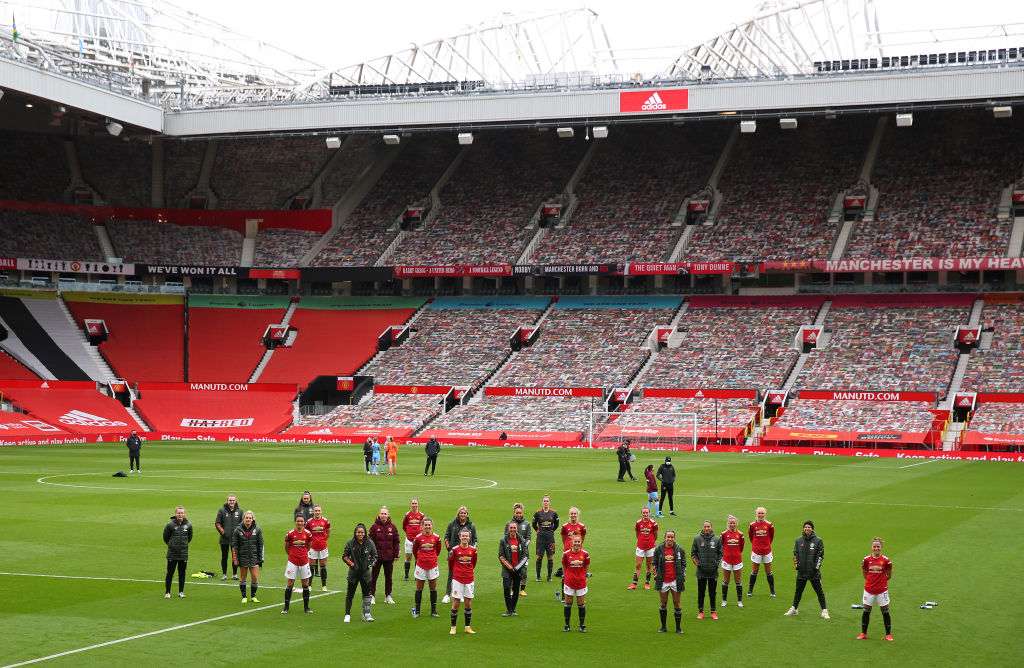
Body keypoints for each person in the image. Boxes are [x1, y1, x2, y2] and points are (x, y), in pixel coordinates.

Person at [785, 521, 828, 620]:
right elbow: (795, 554)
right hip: (801, 571)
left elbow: (820, 556)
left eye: (809, 527)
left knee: (819, 592)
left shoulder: (818, 541)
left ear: (812, 529)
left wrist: (815, 568)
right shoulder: (798, 540)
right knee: (798, 591)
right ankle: (794, 608)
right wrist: (797, 566)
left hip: (813, 572)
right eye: (805, 527)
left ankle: (824, 611)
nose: (807, 529)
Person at [858, 537, 893, 641]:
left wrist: (880, 583)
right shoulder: (866, 560)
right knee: (866, 611)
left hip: (882, 590)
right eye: (874, 547)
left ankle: (888, 634)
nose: (876, 548)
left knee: (885, 611)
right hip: (869, 590)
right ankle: (863, 633)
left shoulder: (886, 561)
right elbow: (865, 574)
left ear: (881, 547)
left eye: (878, 546)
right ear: (871, 547)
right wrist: (871, 582)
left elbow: (889, 575)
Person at [342, 523, 378, 622]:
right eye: (358, 532)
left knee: (367, 594)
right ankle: (347, 614)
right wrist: (352, 565)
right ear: (355, 533)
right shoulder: (350, 543)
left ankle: (366, 614)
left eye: (362, 532)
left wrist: (369, 564)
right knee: (350, 594)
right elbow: (345, 556)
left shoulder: (370, 543)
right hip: (353, 574)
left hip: (366, 574)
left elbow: (375, 556)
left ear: (365, 533)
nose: (360, 534)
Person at [653, 529, 686, 633]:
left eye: (672, 537)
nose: (670, 539)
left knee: (677, 603)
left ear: (674, 538)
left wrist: (682, 576)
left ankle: (678, 628)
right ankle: (663, 627)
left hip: (675, 580)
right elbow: (654, 563)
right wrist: (656, 575)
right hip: (663, 580)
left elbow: (683, 564)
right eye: (668, 537)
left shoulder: (680, 549)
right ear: (665, 538)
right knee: (663, 603)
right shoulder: (659, 549)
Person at [443, 506, 477, 603]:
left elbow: (475, 539)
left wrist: (473, 549)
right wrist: (449, 548)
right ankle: (447, 595)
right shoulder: (452, 524)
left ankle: (461, 594)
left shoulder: (471, 525)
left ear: (467, 514)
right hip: (455, 554)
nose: (462, 515)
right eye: (461, 513)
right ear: (458, 514)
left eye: (464, 513)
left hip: (467, 554)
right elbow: (446, 536)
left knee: (464, 574)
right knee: (451, 574)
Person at [690, 520, 723, 620]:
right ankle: (701, 611)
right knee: (701, 592)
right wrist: (698, 564)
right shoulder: (697, 539)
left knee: (712, 592)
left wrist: (717, 564)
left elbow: (721, 554)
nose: (706, 528)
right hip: (701, 571)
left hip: (713, 571)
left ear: (711, 527)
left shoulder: (717, 539)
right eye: (705, 526)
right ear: (703, 527)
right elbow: (693, 553)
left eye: (708, 526)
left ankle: (713, 611)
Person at [411, 517, 442, 618]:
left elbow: (438, 550)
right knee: (419, 588)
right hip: (421, 566)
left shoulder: (437, 538)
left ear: (432, 526)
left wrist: (431, 558)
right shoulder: (418, 538)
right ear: (422, 526)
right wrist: (421, 558)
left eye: (429, 525)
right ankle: (418, 611)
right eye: (426, 525)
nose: (427, 527)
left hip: (433, 566)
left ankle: (433, 611)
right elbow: (414, 550)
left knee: (433, 588)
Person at [282, 514, 314, 614]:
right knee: (290, 583)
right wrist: (293, 555)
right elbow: (286, 547)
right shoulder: (290, 534)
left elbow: (308, 547)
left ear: (304, 522)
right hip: (293, 562)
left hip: (304, 561)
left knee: (305, 584)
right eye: (298, 521)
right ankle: (286, 607)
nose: (300, 523)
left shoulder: (308, 534)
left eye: (301, 521)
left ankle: (306, 608)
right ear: (295, 522)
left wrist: (302, 554)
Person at [449, 527, 478, 634]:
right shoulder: (454, 550)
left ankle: (467, 627)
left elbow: (473, 564)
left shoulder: (473, 551)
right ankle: (453, 627)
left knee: (468, 604)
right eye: (463, 536)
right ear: (460, 537)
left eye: (466, 536)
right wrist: (458, 572)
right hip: (457, 580)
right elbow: (451, 564)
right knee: (456, 603)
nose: (465, 537)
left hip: (469, 579)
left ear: (469, 537)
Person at [231, 510, 264, 603]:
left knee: (254, 577)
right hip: (243, 557)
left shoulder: (257, 529)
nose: (248, 519)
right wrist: (235, 559)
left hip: (254, 557)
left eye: (250, 518)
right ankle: (244, 596)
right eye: (247, 518)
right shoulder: (237, 530)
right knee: (243, 577)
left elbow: (261, 544)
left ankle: (253, 596)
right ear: (243, 519)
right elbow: (234, 546)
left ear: (252, 519)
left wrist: (260, 559)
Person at [369, 505, 400, 604]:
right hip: (376, 557)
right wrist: (371, 555)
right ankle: (372, 595)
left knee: (389, 577)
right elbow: (370, 541)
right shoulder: (374, 527)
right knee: (373, 577)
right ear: (379, 515)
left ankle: (388, 596)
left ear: (388, 515)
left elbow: (396, 542)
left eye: (385, 514)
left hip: (389, 557)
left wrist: (396, 555)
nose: (383, 515)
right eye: (382, 514)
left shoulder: (393, 527)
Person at [561, 534, 590, 633]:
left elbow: (586, 566)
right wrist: (567, 576)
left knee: (581, 605)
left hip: (581, 582)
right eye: (575, 541)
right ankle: (567, 625)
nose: (577, 543)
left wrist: (582, 575)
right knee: (568, 604)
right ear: (571, 542)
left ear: (581, 542)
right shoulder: (566, 554)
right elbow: (564, 566)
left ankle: (582, 625)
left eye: (578, 541)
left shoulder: (585, 554)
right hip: (569, 582)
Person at [163, 505, 193, 599]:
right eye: (179, 513)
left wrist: (183, 546)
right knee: (170, 573)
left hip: (183, 553)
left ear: (184, 514)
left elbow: (189, 537)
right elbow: (165, 537)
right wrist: (172, 545)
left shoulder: (188, 525)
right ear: (175, 514)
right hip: (172, 553)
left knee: (182, 573)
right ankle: (167, 592)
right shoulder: (170, 525)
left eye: (182, 513)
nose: (180, 515)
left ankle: (181, 592)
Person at [499, 520, 528, 616]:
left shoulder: (522, 541)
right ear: (508, 529)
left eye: (514, 528)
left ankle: (512, 609)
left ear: (517, 529)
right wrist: (510, 567)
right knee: (507, 588)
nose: (512, 530)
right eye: (511, 528)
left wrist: (516, 568)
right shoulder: (503, 540)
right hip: (507, 570)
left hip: (518, 570)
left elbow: (526, 555)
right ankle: (509, 609)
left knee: (516, 589)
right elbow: (501, 556)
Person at [557, 507, 586, 602]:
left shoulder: (581, 526)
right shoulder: (565, 526)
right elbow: (563, 538)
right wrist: (567, 548)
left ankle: (580, 595)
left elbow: (582, 538)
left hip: (578, 553)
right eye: (572, 514)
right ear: (569, 515)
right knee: (565, 573)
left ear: (577, 515)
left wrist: (578, 547)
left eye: (575, 514)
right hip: (567, 553)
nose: (573, 515)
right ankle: (564, 596)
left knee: (579, 572)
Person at [747, 506, 775, 597]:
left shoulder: (769, 525)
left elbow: (771, 537)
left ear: (765, 514)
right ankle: (750, 591)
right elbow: (751, 537)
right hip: (756, 551)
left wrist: (766, 545)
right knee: (754, 571)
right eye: (759, 513)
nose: (760, 515)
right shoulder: (752, 525)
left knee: (768, 571)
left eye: (762, 513)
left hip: (767, 551)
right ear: (756, 514)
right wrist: (756, 545)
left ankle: (772, 592)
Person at [215, 494, 244, 581]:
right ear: (227, 501)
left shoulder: (240, 511)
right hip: (224, 539)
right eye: (230, 500)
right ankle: (224, 574)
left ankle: (235, 574)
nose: (231, 502)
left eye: (233, 500)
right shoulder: (222, 511)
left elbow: (242, 524)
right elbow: (217, 523)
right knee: (224, 556)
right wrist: (224, 533)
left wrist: (238, 534)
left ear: (235, 501)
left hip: (235, 539)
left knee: (235, 556)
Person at [531, 495, 559, 584]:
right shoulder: (537, 513)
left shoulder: (554, 513)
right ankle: (538, 577)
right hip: (540, 538)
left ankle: (549, 577)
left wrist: (551, 531)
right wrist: (539, 531)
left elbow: (557, 525)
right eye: (544, 501)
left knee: (550, 557)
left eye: (547, 501)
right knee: (539, 556)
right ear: (542, 502)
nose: (546, 502)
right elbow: (534, 524)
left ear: (549, 502)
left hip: (550, 538)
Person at [630, 506, 658, 590]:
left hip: (650, 547)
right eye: (644, 513)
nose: (645, 514)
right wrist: (641, 541)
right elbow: (637, 534)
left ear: (649, 513)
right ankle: (634, 584)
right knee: (638, 565)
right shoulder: (638, 523)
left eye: (647, 512)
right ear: (641, 514)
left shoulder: (654, 523)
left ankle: (647, 583)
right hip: (640, 547)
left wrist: (651, 542)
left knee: (648, 565)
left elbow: (656, 535)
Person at [720, 515, 745, 607]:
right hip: (726, 561)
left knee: (738, 581)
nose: (732, 524)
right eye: (730, 523)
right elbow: (721, 546)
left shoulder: (740, 535)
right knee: (726, 581)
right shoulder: (723, 534)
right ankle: (724, 600)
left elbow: (741, 547)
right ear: (728, 524)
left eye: (733, 523)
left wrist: (735, 553)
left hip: (737, 560)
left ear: (736, 524)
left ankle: (739, 601)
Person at [306, 505, 331, 591]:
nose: (317, 512)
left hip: (323, 546)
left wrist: (323, 540)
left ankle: (324, 586)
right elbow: (306, 534)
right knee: (311, 566)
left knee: (323, 566)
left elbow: (328, 532)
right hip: (312, 547)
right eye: (316, 511)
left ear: (321, 511)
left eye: (319, 510)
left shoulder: (326, 521)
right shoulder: (309, 522)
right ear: (313, 512)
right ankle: (309, 585)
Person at [402, 498, 425, 581]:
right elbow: (404, 526)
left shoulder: (422, 515)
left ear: (418, 504)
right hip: (409, 539)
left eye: (415, 503)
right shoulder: (407, 515)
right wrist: (409, 532)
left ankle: (416, 575)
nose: (414, 505)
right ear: (410, 504)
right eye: (413, 503)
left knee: (417, 558)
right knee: (408, 557)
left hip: (418, 540)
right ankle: (406, 576)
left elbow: (424, 526)